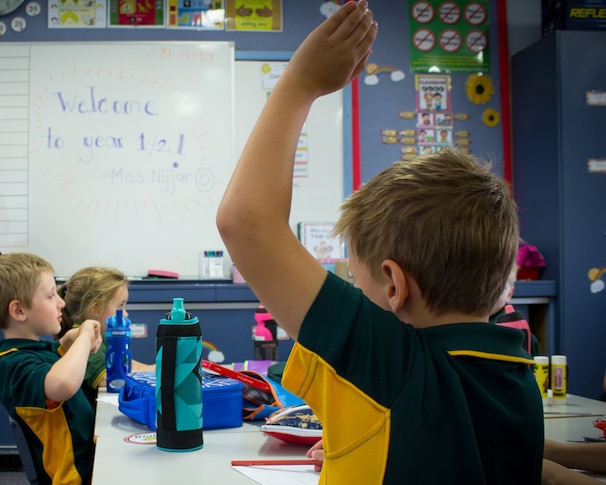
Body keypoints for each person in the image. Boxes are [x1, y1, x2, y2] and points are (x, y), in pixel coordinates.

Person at [216, 2, 543, 483]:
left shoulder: (394, 364)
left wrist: (299, 83)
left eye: (356, 279)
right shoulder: (516, 373)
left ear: (393, 284)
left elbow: (245, 222)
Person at [0, 253, 101, 485]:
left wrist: (66, 343)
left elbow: (53, 365)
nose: (61, 302)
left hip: (90, 465)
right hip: (74, 478)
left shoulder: (32, 352)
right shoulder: (13, 366)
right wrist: (84, 337)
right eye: (50, 295)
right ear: (19, 311)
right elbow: (62, 384)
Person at [56, 266, 154, 408]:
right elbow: (107, 378)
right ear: (96, 309)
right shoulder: (84, 340)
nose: (125, 314)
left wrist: (154, 369)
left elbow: (124, 364)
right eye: (120, 306)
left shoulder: (99, 336)